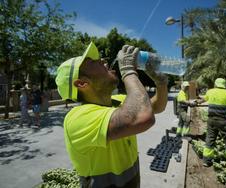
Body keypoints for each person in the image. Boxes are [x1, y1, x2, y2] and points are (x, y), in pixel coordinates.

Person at [55, 42, 168, 188]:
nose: (102, 60)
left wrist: (161, 83)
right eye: (92, 62)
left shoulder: (118, 101)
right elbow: (143, 117)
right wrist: (127, 70)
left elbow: (157, 106)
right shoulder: (77, 117)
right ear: (82, 83)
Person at [197, 78, 226, 167]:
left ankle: (206, 160)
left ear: (216, 84)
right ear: (224, 85)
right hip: (224, 122)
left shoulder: (210, 91)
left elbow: (203, 100)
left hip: (211, 121)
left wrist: (196, 102)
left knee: (210, 139)